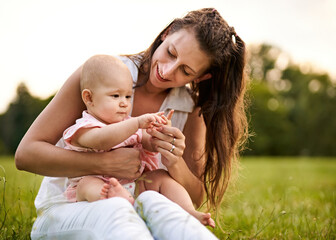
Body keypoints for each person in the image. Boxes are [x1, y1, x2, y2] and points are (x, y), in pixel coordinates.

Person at [15, 8, 248, 240]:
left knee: (161, 206)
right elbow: (26, 155)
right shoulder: (100, 75)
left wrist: (174, 161)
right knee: (117, 209)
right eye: (171, 52)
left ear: (200, 77)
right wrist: (104, 163)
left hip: (134, 199)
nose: (167, 71)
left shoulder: (188, 108)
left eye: (185, 71)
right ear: (166, 33)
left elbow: (195, 197)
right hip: (68, 207)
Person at [63, 54, 215, 227]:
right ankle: (117, 203)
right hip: (97, 190)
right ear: (89, 98)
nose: (123, 103)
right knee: (87, 184)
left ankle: (188, 212)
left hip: (132, 186)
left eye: (128, 97)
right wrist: (136, 123)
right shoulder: (84, 127)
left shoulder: (127, 123)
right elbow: (101, 140)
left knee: (160, 176)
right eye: (115, 96)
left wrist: (160, 133)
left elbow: (148, 142)